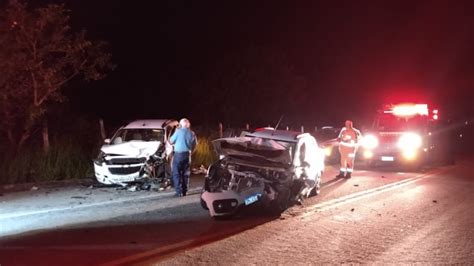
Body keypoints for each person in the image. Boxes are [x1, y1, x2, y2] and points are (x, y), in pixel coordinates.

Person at [169, 118, 197, 197]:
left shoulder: (178, 132)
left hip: (178, 155)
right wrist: (191, 152)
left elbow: (171, 141)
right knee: (186, 173)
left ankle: (179, 192)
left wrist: (175, 131)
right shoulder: (192, 133)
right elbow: (195, 145)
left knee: (176, 173)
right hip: (187, 154)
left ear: (181, 125)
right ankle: (185, 191)